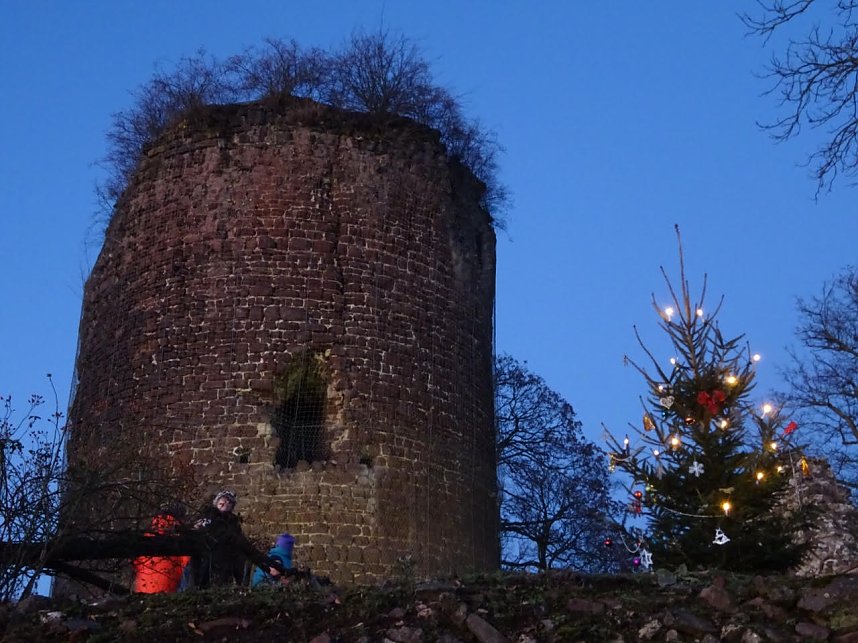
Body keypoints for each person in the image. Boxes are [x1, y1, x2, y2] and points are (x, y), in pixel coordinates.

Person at [188, 489, 281, 588]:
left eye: (230, 502)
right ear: (217, 501)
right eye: (224, 499)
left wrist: (268, 567)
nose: (226, 502)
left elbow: (246, 548)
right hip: (204, 564)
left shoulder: (232, 525)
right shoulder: (206, 518)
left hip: (224, 566)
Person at [133, 504, 189, 594]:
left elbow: (136, 562)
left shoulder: (147, 535)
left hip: (143, 587)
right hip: (167, 588)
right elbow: (186, 561)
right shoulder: (177, 536)